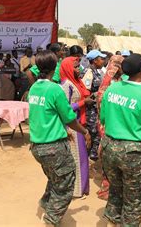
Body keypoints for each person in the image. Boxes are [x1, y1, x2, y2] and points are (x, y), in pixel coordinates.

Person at [28, 50, 91, 227]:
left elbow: (44, 116)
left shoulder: (34, 88)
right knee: (66, 184)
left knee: (55, 178)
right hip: (53, 147)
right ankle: (51, 220)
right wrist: (84, 132)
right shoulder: (54, 89)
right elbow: (69, 118)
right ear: (54, 67)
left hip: (37, 146)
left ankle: (45, 204)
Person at [100, 53, 141, 226]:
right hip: (134, 152)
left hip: (109, 147)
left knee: (116, 190)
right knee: (133, 199)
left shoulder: (112, 89)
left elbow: (103, 118)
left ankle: (113, 222)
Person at [59, 56, 93, 198]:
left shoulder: (76, 82)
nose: (78, 69)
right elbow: (65, 108)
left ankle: (82, 188)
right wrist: (82, 103)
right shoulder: (66, 85)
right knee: (77, 158)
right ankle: (75, 190)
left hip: (79, 122)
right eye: (75, 66)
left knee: (82, 157)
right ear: (67, 67)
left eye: (79, 66)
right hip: (72, 126)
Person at [95, 55, 124, 201]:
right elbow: (100, 103)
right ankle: (107, 187)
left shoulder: (122, 81)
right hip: (108, 124)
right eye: (115, 64)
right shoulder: (107, 83)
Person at [82, 50, 106, 161]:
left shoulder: (98, 72)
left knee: (96, 132)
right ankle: (89, 157)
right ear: (94, 60)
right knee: (93, 132)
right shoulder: (89, 73)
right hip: (90, 110)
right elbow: (86, 93)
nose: (103, 61)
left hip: (96, 108)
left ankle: (93, 156)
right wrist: (97, 94)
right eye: (101, 59)